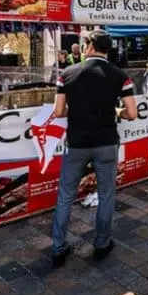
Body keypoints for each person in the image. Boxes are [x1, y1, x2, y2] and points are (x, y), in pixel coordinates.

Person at [51, 30, 138, 268]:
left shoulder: (67, 73)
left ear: (89, 46)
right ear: (107, 49)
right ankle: (101, 243)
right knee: (106, 193)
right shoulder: (120, 75)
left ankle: (58, 247)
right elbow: (132, 113)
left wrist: (78, 110)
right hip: (106, 141)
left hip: (77, 143)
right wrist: (116, 111)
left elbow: (58, 112)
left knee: (66, 195)